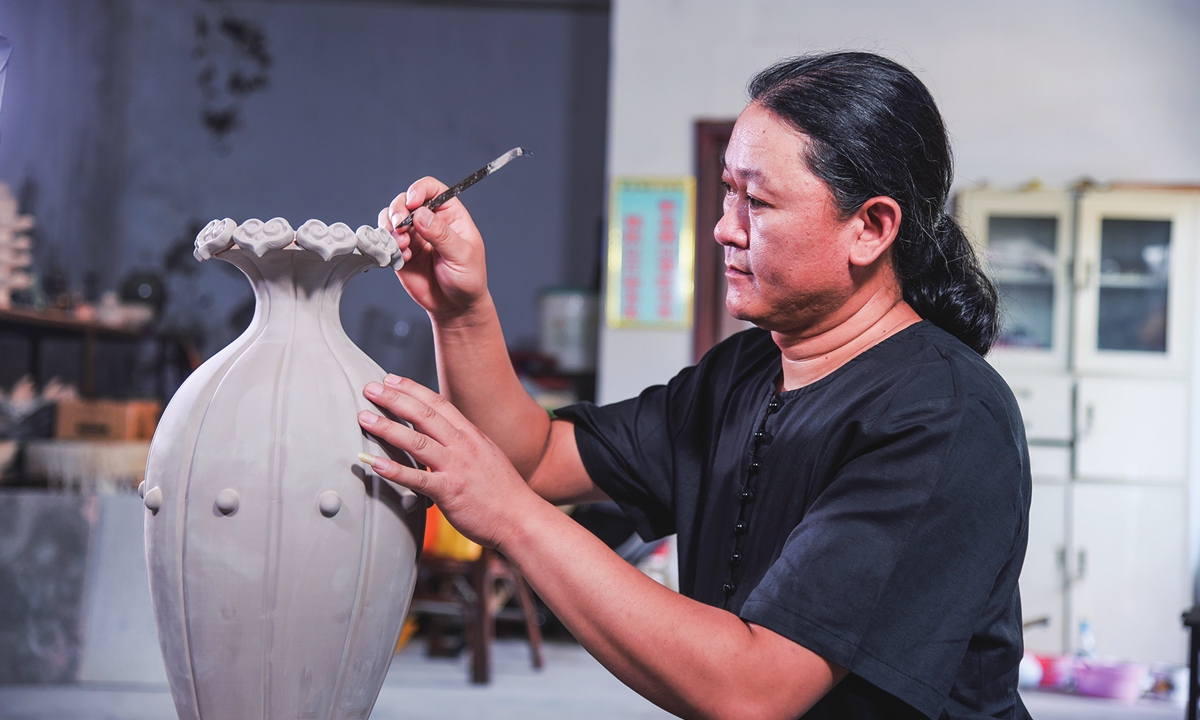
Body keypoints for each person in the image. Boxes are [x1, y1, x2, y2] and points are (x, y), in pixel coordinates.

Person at [357, 51, 1031, 720]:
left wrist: (507, 514)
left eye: (757, 201)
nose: (722, 228)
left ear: (871, 228)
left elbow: (755, 689)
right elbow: (533, 458)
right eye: (727, 192)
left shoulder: (944, 416)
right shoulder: (742, 372)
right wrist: (460, 307)